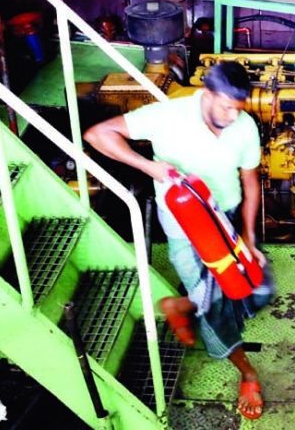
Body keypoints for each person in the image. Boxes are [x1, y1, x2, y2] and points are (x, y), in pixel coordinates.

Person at [83, 61, 271, 420]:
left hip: (226, 218)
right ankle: (246, 372)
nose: (233, 116)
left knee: (254, 288)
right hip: (186, 225)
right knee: (216, 307)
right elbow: (98, 135)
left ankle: (181, 305)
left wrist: (248, 235)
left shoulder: (244, 127)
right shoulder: (167, 115)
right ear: (208, 94)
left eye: (238, 108)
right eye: (226, 107)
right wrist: (151, 167)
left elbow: (250, 181)